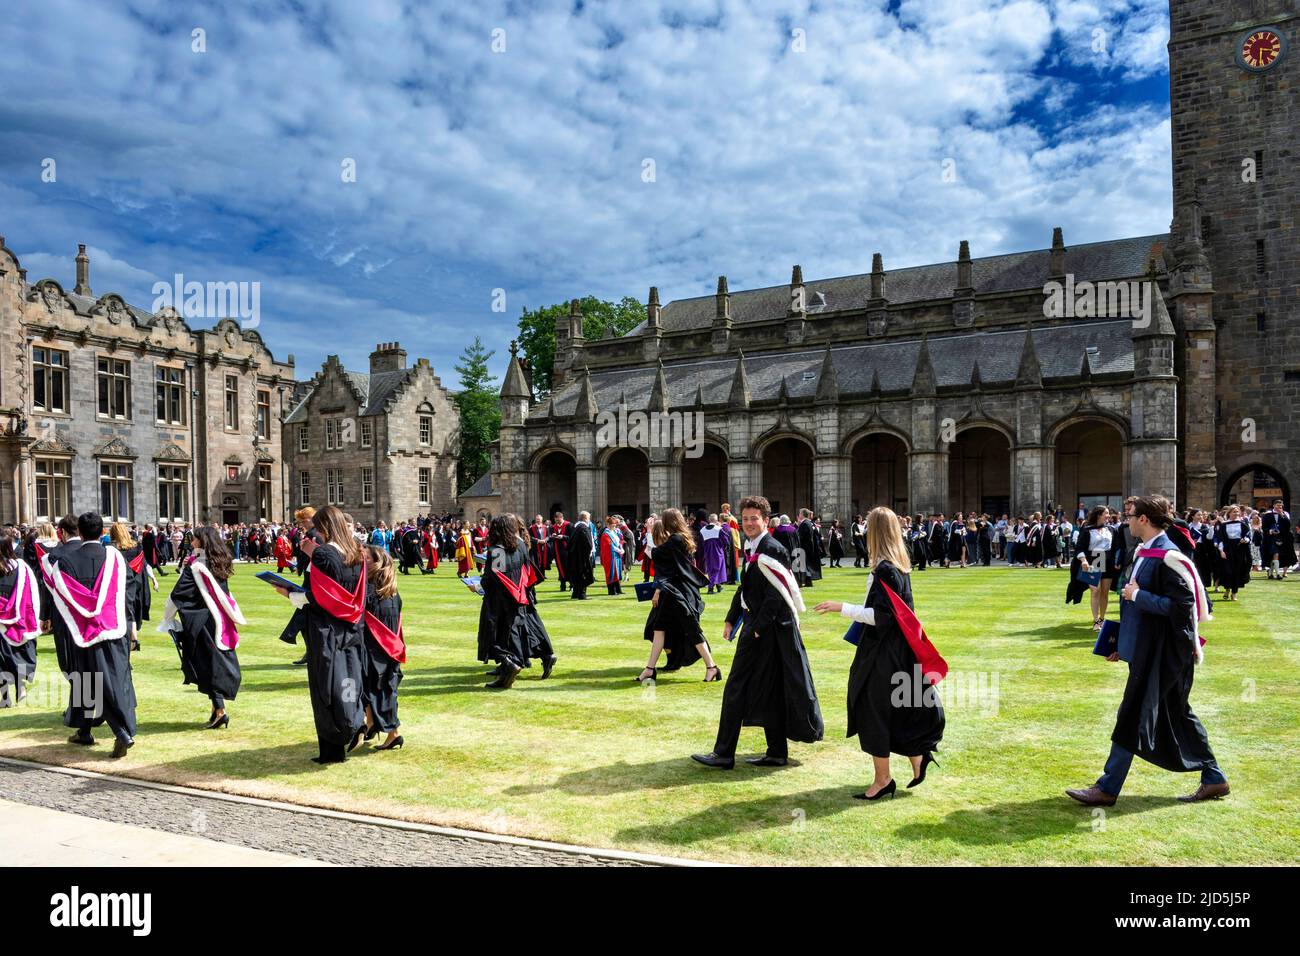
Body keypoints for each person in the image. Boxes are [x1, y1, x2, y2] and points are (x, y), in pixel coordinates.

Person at [1067, 495, 1228, 806]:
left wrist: (1139, 595)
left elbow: (1183, 609)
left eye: (1130, 516)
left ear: (1143, 520)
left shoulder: (1168, 556)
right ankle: (1214, 777)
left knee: (1132, 714)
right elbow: (1132, 606)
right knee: (1178, 714)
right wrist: (1121, 644)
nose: (1126, 521)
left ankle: (1107, 787)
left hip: (1165, 654)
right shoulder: (1141, 552)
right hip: (1146, 648)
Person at [815, 506, 945, 800]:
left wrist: (841, 608)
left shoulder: (886, 569)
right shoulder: (899, 566)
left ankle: (883, 779)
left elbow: (883, 616)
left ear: (874, 532)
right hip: (898, 651)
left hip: (883, 653)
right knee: (897, 707)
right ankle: (917, 757)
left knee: (871, 709)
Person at [692, 495, 823, 769]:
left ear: (766, 520)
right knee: (771, 689)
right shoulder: (754, 547)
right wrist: (731, 618)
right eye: (746, 518)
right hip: (763, 630)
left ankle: (724, 753)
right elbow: (745, 588)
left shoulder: (772, 548)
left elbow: (776, 598)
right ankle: (776, 752)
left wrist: (755, 631)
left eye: (755, 518)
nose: (749, 523)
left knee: (736, 688)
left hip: (767, 632)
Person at [40, 512, 138, 757]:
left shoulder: (66, 562)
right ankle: (87, 731)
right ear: (101, 532)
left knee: (87, 681)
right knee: (114, 678)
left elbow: (59, 592)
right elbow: (128, 589)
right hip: (114, 626)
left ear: (80, 533)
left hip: (82, 631)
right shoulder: (114, 557)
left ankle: (119, 732)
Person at [276, 505, 367, 764]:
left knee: (324, 687)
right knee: (348, 678)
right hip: (351, 625)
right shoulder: (357, 551)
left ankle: (334, 747)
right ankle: (354, 720)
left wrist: (290, 594)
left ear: (325, 527)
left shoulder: (324, 555)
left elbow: (321, 596)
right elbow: (343, 589)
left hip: (326, 628)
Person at [161, 525, 243, 729]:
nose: (192, 542)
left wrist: (167, 618)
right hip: (219, 619)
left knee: (205, 665)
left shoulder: (196, 566)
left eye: (195, 539)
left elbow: (177, 594)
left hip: (200, 622)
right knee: (212, 663)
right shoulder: (219, 563)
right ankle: (217, 709)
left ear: (202, 541)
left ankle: (220, 711)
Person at [636, 508, 723, 683]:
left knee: (692, 630)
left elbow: (656, 554)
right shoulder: (682, 538)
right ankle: (649, 669)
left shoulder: (676, 540)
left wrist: (651, 533)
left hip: (679, 593)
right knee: (659, 628)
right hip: (674, 591)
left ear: (669, 522)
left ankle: (712, 667)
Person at [477, 515, 556, 689]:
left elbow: (495, 578)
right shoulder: (520, 544)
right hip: (518, 594)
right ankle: (509, 668)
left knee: (492, 635)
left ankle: (509, 663)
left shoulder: (497, 550)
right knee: (512, 634)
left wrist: (478, 586)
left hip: (500, 599)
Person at [361, 546, 405, 750]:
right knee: (381, 687)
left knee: (379, 689)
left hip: (377, 647)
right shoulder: (392, 591)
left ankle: (393, 732)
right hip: (391, 647)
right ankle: (371, 723)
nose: (363, 559)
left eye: (367, 557)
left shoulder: (370, 590)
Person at [0, 531, 40, 708]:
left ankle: (4, 697)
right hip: (17, 619)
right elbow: (31, 593)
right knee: (19, 654)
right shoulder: (22, 568)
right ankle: (21, 688)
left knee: (1, 658)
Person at [1214, 505, 1252, 601]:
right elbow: (1220, 539)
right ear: (1229, 513)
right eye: (1234, 512)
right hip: (1227, 548)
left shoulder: (1243, 524)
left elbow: (1248, 535)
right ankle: (1227, 589)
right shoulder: (1224, 525)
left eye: (1237, 512)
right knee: (1227, 571)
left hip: (1239, 548)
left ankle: (1234, 593)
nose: (1236, 514)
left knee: (1237, 571)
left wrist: (1246, 540)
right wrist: (1221, 551)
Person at [1261, 499, 1294, 580]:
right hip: (1270, 538)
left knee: (1276, 555)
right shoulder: (1267, 514)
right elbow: (1264, 527)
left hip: (1282, 538)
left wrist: (1282, 515)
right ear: (1274, 505)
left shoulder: (1285, 514)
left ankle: (1271, 573)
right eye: (1278, 505)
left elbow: (1288, 525)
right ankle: (1278, 574)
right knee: (1275, 554)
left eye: (1281, 505)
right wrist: (1270, 531)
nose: (1280, 507)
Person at [567, 512, 595, 600]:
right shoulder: (584, 528)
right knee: (584, 574)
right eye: (589, 518)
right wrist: (589, 553)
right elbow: (588, 544)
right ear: (585, 518)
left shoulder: (575, 527)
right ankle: (582, 594)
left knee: (577, 574)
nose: (589, 520)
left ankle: (575, 593)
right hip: (583, 556)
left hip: (574, 555)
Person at [698, 514, 728, 594]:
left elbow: (701, 543)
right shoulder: (718, 529)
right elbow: (725, 540)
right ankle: (710, 588)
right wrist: (723, 547)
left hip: (707, 552)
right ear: (716, 520)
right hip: (718, 552)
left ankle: (718, 586)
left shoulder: (702, 530)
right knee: (716, 569)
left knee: (712, 569)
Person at [796, 509, 823, 588]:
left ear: (802, 514)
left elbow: (800, 536)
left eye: (800, 513)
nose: (799, 515)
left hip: (804, 547)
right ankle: (807, 582)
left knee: (803, 565)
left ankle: (804, 582)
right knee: (804, 565)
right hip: (807, 547)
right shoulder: (807, 523)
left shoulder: (805, 523)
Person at [599, 515, 624, 595]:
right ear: (608, 525)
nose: (614, 527)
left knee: (617, 572)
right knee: (611, 572)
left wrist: (621, 548)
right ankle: (611, 591)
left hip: (616, 555)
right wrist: (619, 550)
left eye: (615, 526)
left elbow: (619, 541)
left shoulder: (614, 532)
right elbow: (610, 545)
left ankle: (618, 589)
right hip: (610, 556)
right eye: (612, 526)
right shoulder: (605, 534)